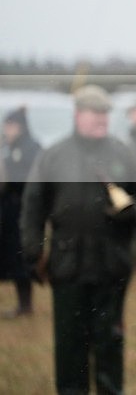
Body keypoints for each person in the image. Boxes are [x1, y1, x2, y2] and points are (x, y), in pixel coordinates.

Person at [20, 85, 136, 394]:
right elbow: (33, 205)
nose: (101, 120)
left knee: (109, 344)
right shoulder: (54, 156)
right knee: (69, 347)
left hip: (111, 266)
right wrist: (32, 250)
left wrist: (131, 213)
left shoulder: (123, 153)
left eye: (106, 114)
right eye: (95, 114)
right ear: (77, 115)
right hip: (68, 267)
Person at [0, 106, 41, 318]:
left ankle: (25, 305)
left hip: (22, 211)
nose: (7, 129)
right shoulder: (8, 146)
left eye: (10, 125)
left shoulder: (30, 148)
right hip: (8, 212)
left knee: (21, 259)